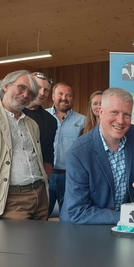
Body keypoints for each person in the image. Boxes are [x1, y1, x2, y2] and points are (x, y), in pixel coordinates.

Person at [60, 88, 134, 224]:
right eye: (114, 112)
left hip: (122, 228)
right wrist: (127, 216)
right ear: (100, 112)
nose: (121, 120)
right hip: (83, 230)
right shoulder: (78, 152)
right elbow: (78, 211)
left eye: (127, 115)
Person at [0, 70, 49, 220]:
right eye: (21, 87)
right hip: (10, 200)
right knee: (16, 244)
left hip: (40, 196)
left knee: (41, 243)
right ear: (6, 86)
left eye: (31, 92)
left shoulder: (32, 124)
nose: (26, 95)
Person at [0, 72, 57, 178]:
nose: (42, 93)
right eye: (38, 87)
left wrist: (45, 180)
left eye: (46, 90)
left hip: (34, 183)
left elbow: (48, 153)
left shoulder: (50, 120)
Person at [46, 82, 86, 215]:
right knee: (41, 215)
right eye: (60, 94)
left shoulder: (83, 121)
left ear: (73, 98)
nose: (64, 98)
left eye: (68, 95)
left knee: (69, 216)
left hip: (70, 177)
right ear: (52, 96)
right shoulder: (43, 117)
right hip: (46, 176)